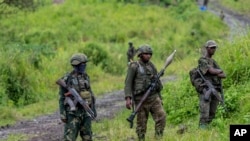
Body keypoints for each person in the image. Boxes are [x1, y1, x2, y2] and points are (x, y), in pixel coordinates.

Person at [124, 45, 166, 140]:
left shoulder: (151, 66)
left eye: (150, 54)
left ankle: (158, 137)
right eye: (146, 54)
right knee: (141, 124)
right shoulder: (134, 66)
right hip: (141, 99)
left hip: (153, 97)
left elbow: (156, 82)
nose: (148, 56)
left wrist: (160, 97)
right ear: (140, 55)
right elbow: (128, 83)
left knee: (161, 116)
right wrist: (128, 98)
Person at [58, 53, 96, 141]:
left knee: (87, 137)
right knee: (69, 138)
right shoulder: (67, 78)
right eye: (83, 64)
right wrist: (63, 114)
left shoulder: (86, 76)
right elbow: (62, 97)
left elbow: (90, 93)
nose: (85, 66)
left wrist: (93, 109)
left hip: (85, 112)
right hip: (73, 114)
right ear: (76, 65)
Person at [197, 40, 226, 129]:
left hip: (215, 89)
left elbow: (224, 75)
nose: (214, 49)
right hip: (206, 89)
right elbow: (211, 71)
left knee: (212, 113)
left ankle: (207, 130)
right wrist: (217, 72)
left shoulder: (213, 61)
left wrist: (217, 72)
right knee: (204, 113)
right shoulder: (202, 60)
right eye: (212, 48)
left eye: (214, 48)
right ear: (207, 48)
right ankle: (202, 131)